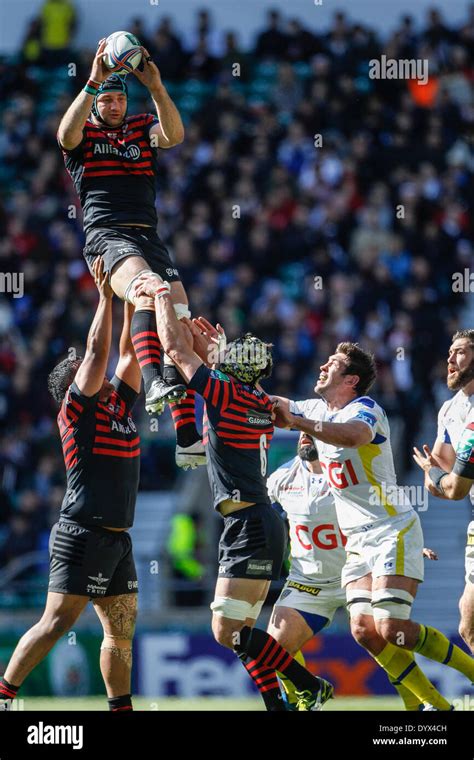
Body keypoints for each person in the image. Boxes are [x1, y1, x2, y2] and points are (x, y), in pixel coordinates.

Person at [134, 280, 334, 711]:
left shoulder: (225, 393)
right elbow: (205, 363)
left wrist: (165, 299)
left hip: (249, 526)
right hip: (256, 523)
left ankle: (307, 684)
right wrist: (216, 352)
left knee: (226, 632)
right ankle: (277, 704)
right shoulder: (255, 398)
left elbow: (173, 349)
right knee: (241, 632)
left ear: (234, 370)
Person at [272, 341, 474, 710]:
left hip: (389, 528)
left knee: (392, 629)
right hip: (356, 542)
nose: (322, 366)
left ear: (350, 379)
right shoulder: (318, 408)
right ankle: (434, 708)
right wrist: (211, 368)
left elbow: (355, 437)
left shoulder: (366, 409)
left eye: (332, 363)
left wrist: (300, 423)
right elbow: (270, 403)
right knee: (365, 631)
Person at [0, 259, 141, 712]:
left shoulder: (116, 404)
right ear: (72, 387)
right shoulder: (75, 412)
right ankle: (3, 697)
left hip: (117, 538)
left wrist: (133, 299)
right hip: (81, 532)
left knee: (120, 632)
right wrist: (104, 296)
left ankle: (121, 708)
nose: (87, 366)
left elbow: (130, 354)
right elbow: (100, 353)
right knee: (56, 622)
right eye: (79, 368)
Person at [57, 39, 204, 470]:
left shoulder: (141, 128)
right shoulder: (86, 135)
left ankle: (187, 435)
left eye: (121, 97)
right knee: (149, 290)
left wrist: (156, 87)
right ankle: (155, 382)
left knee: (177, 315)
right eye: (110, 98)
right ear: (98, 101)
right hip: (108, 236)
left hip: (148, 237)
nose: (116, 104)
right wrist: (92, 83)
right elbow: (65, 135)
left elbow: (174, 135)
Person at [267, 432, 446, 711]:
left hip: (358, 569)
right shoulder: (280, 478)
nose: (304, 438)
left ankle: (424, 704)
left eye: (311, 434)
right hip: (309, 581)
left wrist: (408, 545)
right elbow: (264, 519)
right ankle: (305, 696)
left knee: (379, 636)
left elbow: (387, 519)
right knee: (274, 647)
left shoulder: (346, 474)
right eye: (301, 433)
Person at [412, 329, 474, 653]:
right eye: (449, 353)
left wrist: (435, 474)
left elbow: (454, 487)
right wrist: (436, 475)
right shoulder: (449, 410)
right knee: (469, 624)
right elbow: (435, 484)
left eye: (460, 352)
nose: (450, 360)